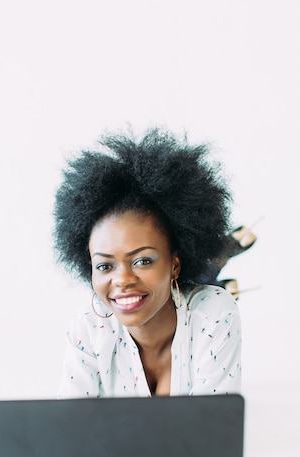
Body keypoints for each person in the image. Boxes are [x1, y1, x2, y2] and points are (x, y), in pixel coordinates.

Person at [53, 128, 243, 398]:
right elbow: (69, 427)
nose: (122, 279)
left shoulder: (213, 313)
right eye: (105, 266)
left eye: (142, 260)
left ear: (175, 263)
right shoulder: (89, 326)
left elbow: (212, 430)